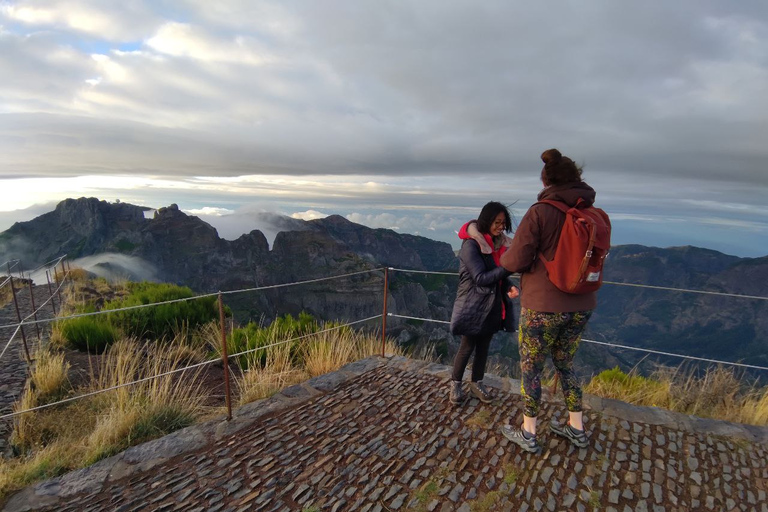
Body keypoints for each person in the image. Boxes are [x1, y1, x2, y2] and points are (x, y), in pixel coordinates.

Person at [499, 148, 604, 453]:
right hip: (582, 305)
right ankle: (576, 427)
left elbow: (515, 260)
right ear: (576, 178)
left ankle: (529, 433)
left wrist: (503, 258)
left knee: (531, 368)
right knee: (565, 364)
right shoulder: (592, 214)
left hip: (543, 307)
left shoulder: (540, 211)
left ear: (546, 180)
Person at [449, 201, 520, 405]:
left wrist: (508, 285)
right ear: (486, 220)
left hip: (492, 305)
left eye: (503, 223)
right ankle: (455, 384)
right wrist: (508, 268)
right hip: (473, 305)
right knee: (468, 345)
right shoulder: (471, 245)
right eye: (497, 222)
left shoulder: (494, 244)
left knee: (484, 347)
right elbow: (480, 277)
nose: (500, 227)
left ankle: (476, 383)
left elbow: (495, 273)